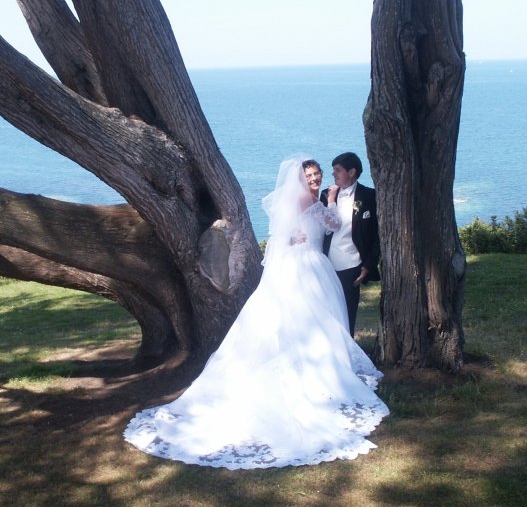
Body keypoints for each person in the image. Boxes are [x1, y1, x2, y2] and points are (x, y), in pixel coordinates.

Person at [123, 154, 389, 470]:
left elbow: (292, 232)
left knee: (312, 322)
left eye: (319, 175)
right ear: (300, 179)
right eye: (312, 175)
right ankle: (318, 375)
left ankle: (320, 366)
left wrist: (300, 230)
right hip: (307, 267)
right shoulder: (309, 198)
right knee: (314, 319)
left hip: (308, 262)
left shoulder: (303, 198)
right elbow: (333, 223)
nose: (316, 179)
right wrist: (331, 199)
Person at [320, 152, 381, 337]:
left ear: (352, 172)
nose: (334, 174)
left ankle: (348, 356)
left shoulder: (369, 196)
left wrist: (368, 266)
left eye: (337, 170)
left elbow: (377, 236)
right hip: (326, 265)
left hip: (352, 265)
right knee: (325, 313)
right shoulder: (325, 196)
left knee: (347, 314)